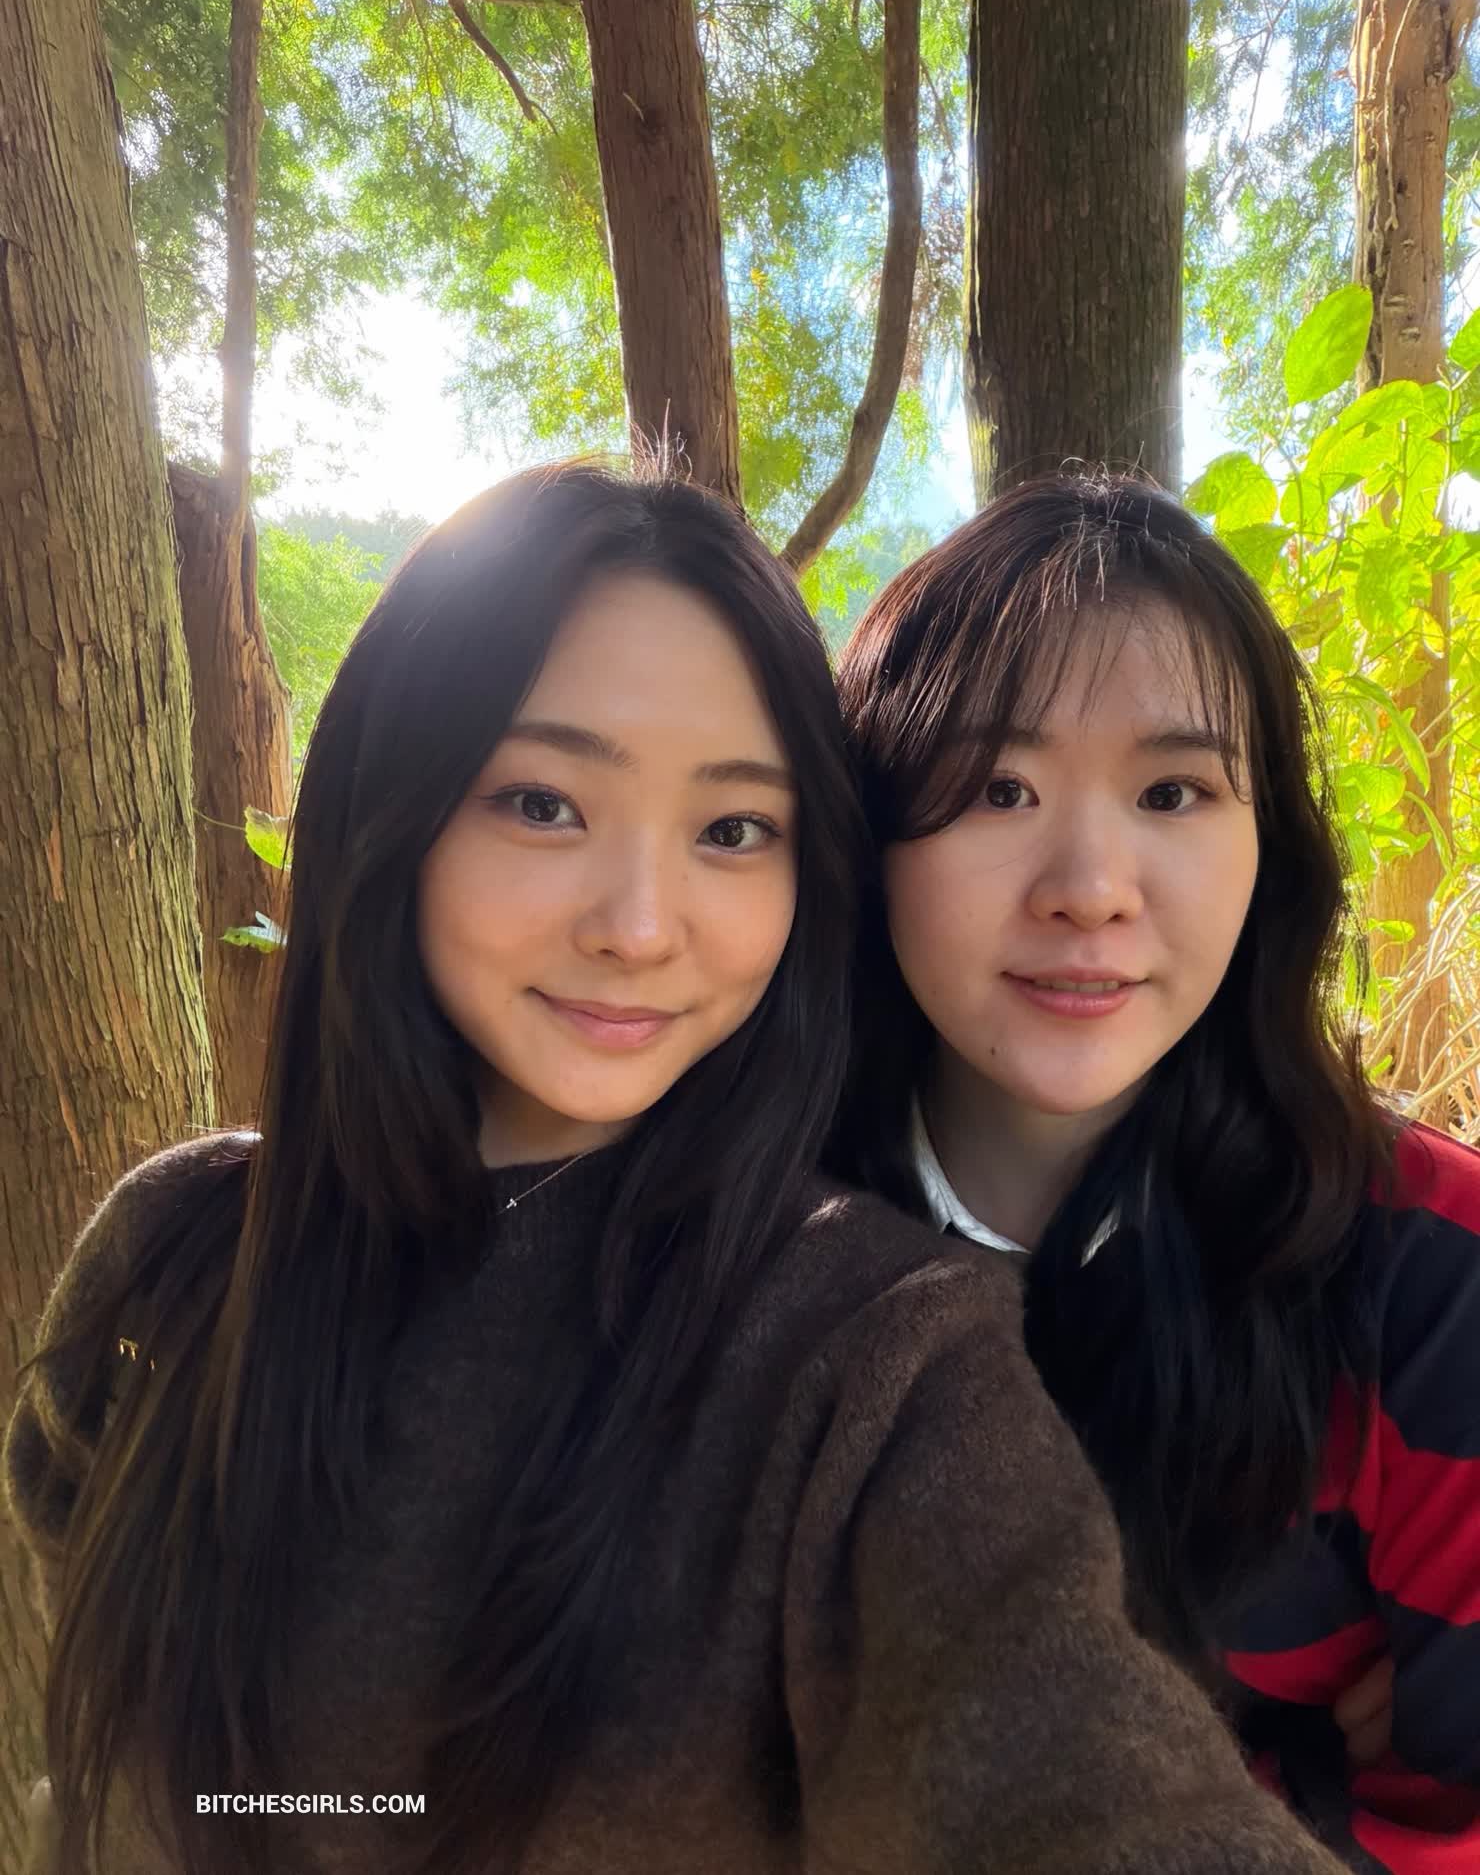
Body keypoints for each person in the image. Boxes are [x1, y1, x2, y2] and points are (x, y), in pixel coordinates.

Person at [6, 461, 1348, 1875]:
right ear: (389, 804)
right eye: (542, 803)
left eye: (731, 830)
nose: (641, 926)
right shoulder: (172, 1254)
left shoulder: (874, 1363)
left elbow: (1080, 1772)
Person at [831, 470, 1480, 1875]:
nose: (1091, 887)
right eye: (997, 788)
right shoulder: (750, 1245)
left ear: (1269, 847)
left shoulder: (1436, 1277)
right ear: (866, 841)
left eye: (1173, 791)